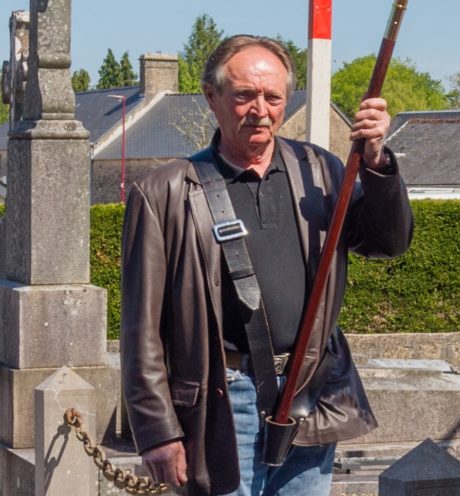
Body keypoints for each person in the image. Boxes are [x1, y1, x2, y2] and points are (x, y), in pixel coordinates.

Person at [121, 34, 413, 496]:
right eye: (244, 95)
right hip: (222, 398)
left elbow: (387, 243)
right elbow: (141, 328)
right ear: (211, 97)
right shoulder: (164, 192)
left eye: (273, 96)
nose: (261, 109)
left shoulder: (320, 170)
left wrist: (376, 161)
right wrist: (158, 431)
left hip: (309, 389)